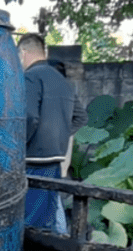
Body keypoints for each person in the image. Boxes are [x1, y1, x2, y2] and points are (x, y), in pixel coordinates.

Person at [19, 33, 86, 234]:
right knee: (48, 224)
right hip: (55, 163)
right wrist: (61, 135)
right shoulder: (62, 80)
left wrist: (18, 147)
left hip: (33, 162)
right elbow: (81, 117)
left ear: (22, 53)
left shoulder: (30, 77)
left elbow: (30, 116)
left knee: (29, 226)